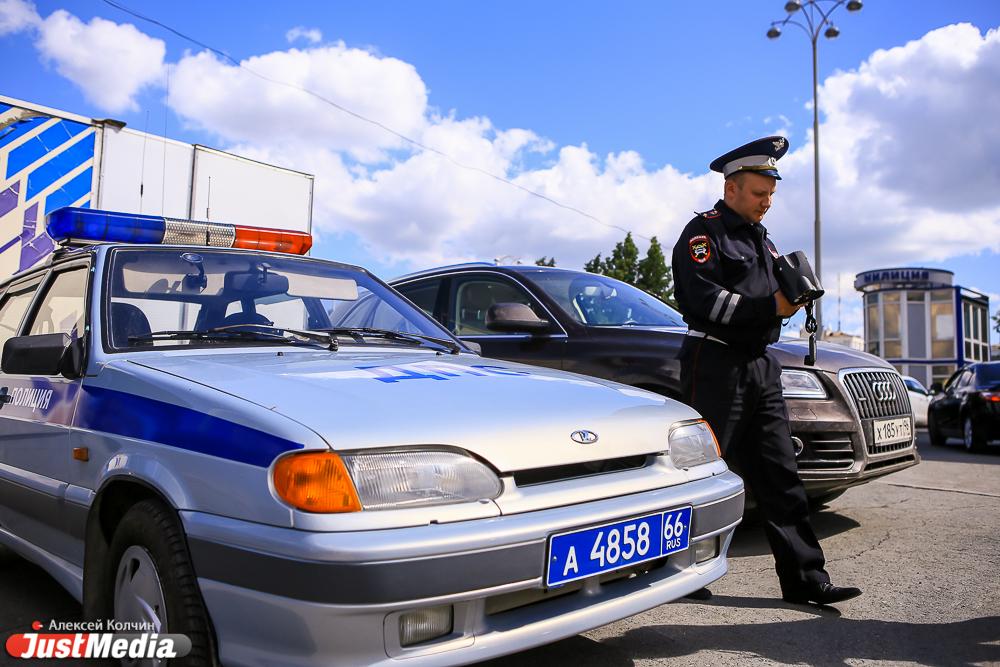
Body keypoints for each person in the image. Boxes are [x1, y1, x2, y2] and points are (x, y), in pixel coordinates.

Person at [670, 136, 861, 606]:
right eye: (759, 194)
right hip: (714, 363)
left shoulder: (762, 237)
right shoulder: (703, 234)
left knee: (781, 475)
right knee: (701, 473)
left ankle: (806, 580)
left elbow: (774, 299)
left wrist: (793, 298)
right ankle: (681, 573)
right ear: (732, 187)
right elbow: (704, 299)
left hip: (761, 365)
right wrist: (770, 305)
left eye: (771, 195)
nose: (767, 203)